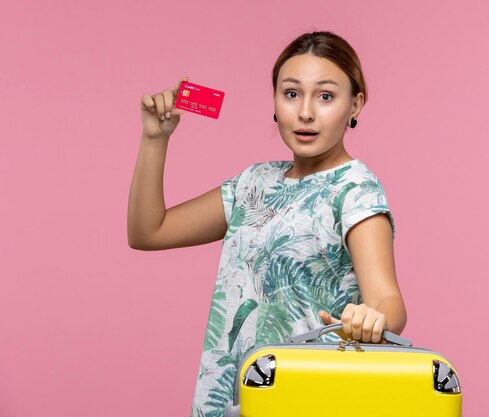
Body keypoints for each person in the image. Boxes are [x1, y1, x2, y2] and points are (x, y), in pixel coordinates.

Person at [128, 31, 407, 417]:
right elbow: (148, 232)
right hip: (228, 399)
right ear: (275, 100)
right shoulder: (254, 183)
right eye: (291, 93)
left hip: (305, 400)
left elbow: (388, 301)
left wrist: (374, 316)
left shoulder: (356, 190)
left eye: (325, 96)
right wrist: (154, 139)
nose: (306, 112)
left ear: (355, 104)